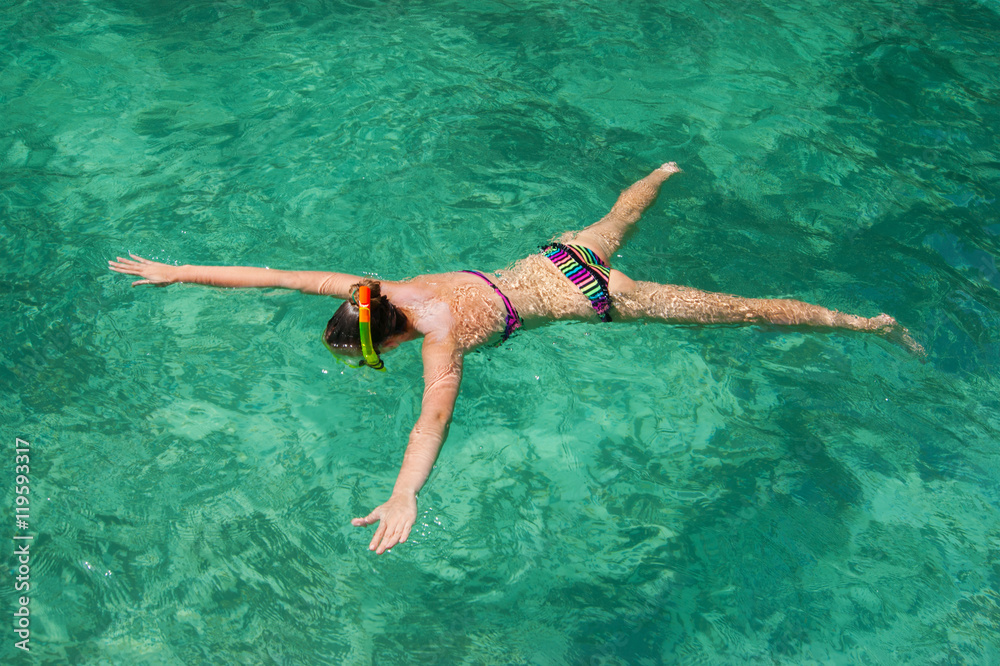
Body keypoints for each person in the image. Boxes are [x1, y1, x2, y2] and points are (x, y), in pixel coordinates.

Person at [108, 162, 921, 554]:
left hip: (591, 299)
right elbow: (277, 277)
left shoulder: (442, 343)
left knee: (736, 314)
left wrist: (402, 495)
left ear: (387, 336)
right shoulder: (379, 286)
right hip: (557, 260)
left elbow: (431, 424)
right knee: (617, 216)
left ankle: (862, 323)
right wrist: (181, 269)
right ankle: (665, 171)